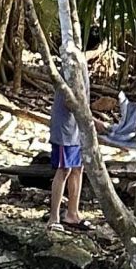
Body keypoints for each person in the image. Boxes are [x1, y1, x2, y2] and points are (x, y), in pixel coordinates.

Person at [48, 88, 87, 230]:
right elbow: (69, 101)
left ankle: (73, 214)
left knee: (78, 169)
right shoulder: (67, 67)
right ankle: (54, 218)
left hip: (78, 127)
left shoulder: (82, 66)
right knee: (64, 169)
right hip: (64, 127)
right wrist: (91, 119)